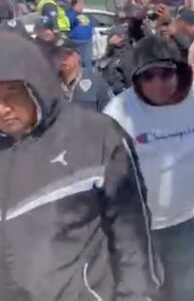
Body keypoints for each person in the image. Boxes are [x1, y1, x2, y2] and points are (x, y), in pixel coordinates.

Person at [0, 31, 159, 300]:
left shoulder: (95, 135)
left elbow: (132, 232)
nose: (2, 109)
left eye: (12, 92)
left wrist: (137, 294)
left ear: (35, 82)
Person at [104, 35, 194, 301]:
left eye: (165, 74)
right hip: (140, 228)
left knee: (193, 293)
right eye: (148, 77)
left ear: (181, 72)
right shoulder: (119, 112)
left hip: (190, 220)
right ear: (135, 80)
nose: (158, 84)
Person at [53, 36, 113, 112]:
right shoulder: (51, 82)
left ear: (78, 56)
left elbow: (110, 110)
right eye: (58, 55)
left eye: (68, 54)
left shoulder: (94, 80)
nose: (63, 59)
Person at [99, 25, 135, 95]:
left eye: (112, 35)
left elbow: (129, 79)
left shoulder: (127, 55)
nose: (109, 38)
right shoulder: (109, 53)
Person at [65, 0, 95, 72]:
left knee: (87, 61)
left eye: (82, 5)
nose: (82, 7)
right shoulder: (70, 14)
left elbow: (92, 24)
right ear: (74, 6)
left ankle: (89, 76)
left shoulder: (86, 15)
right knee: (77, 61)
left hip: (87, 41)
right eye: (80, 5)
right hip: (75, 41)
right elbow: (69, 24)